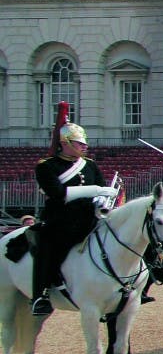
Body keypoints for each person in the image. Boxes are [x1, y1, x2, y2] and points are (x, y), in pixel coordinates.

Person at [31, 104, 114, 316]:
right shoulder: (47, 166)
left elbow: (101, 190)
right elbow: (57, 194)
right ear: (65, 143)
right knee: (48, 245)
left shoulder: (90, 165)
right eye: (79, 143)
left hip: (89, 217)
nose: (84, 147)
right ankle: (40, 294)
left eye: (84, 143)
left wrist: (105, 197)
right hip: (61, 219)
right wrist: (95, 189)